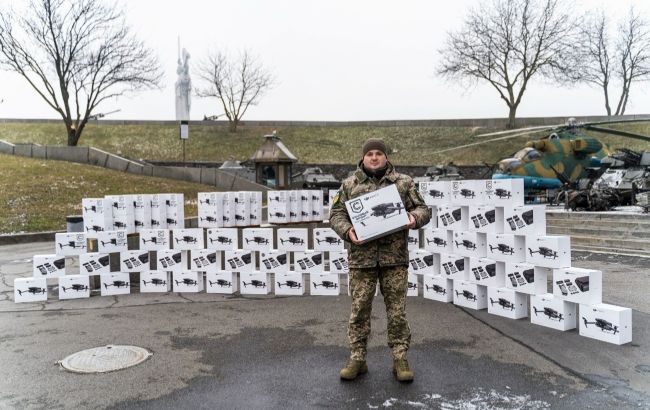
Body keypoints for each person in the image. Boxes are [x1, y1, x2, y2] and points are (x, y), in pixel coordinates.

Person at [329, 138, 431, 382]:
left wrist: (413, 218)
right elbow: (336, 214)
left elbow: (424, 210)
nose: (374, 157)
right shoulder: (349, 185)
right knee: (359, 311)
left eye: (378, 153)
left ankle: (400, 358)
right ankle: (357, 358)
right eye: (370, 154)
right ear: (363, 157)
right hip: (361, 260)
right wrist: (347, 231)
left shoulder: (403, 183)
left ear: (386, 157)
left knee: (397, 313)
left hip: (394, 260)